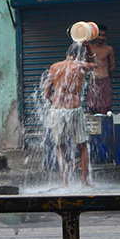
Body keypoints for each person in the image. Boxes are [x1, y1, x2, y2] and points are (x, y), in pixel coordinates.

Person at [41, 52, 92, 185]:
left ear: (67, 54)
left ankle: (64, 182)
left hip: (57, 111)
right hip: (74, 109)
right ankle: (84, 182)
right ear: (79, 54)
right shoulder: (80, 66)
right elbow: (96, 64)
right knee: (83, 146)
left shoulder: (54, 67)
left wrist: (55, 102)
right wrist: (90, 49)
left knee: (60, 148)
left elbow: (46, 92)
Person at [86, 25, 116, 114]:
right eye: (99, 35)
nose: (101, 37)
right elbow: (84, 64)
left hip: (104, 79)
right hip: (93, 80)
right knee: (91, 105)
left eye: (103, 35)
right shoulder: (89, 48)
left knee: (106, 105)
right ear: (95, 35)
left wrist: (106, 76)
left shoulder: (108, 49)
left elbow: (113, 66)